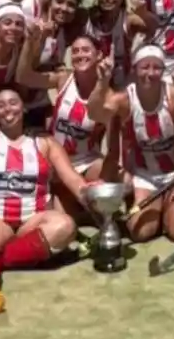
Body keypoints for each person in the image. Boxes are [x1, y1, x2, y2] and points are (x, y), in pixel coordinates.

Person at [0, 50, 90, 316]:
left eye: (13, 103)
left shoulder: (45, 143)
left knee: (65, 226)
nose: (7, 109)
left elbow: (72, 179)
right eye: (0, 105)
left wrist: (91, 194)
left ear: (23, 108)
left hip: (31, 220)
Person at [88, 46, 174, 244]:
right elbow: (95, 114)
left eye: (157, 68)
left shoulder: (172, 96)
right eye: (144, 67)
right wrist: (102, 82)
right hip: (145, 176)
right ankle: (159, 208)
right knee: (140, 233)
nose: (150, 73)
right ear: (135, 69)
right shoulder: (124, 100)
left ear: (163, 71)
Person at [17, 30, 113, 217]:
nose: (80, 55)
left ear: (99, 54)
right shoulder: (63, 79)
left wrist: (105, 180)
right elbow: (23, 77)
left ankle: (92, 206)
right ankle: (73, 202)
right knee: (64, 216)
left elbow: (114, 148)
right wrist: (29, 43)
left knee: (113, 174)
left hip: (87, 160)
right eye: (75, 51)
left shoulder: (107, 94)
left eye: (86, 50)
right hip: (57, 161)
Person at [85, 0, 151, 90]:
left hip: (123, 88)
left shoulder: (130, 20)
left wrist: (143, 11)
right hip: (94, 87)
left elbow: (154, 28)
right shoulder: (88, 17)